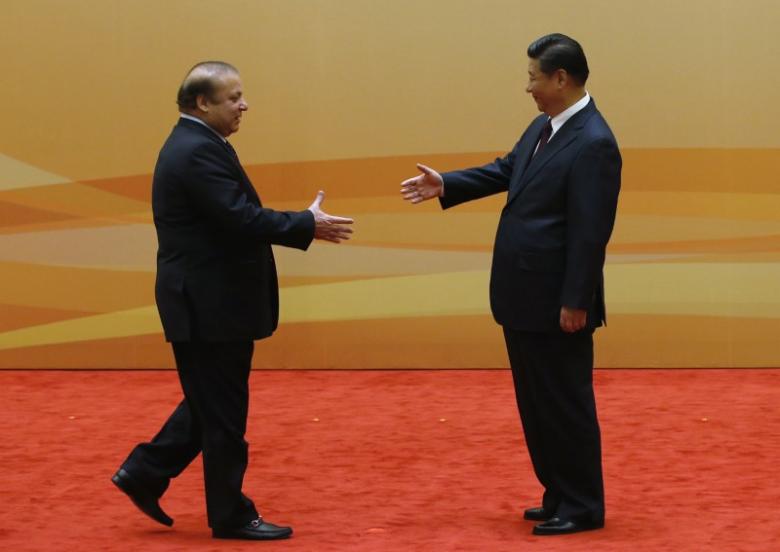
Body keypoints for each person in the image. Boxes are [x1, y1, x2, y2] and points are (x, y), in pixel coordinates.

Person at [112, 61, 353, 541]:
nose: (244, 105)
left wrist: (301, 222)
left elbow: (234, 218)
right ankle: (230, 514)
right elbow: (239, 219)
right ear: (202, 102)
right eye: (233, 97)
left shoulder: (199, 145)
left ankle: (144, 471)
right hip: (208, 306)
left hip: (211, 303)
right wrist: (307, 224)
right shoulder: (195, 152)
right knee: (223, 414)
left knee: (211, 402)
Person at [401, 34, 620, 536]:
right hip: (524, 297)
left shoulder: (594, 142)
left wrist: (575, 301)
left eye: (533, 77)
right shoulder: (545, 127)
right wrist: (447, 184)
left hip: (557, 304)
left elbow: (590, 233)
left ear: (561, 78)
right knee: (537, 403)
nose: (528, 88)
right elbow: (507, 170)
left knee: (565, 403)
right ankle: (558, 491)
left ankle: (583, 504)